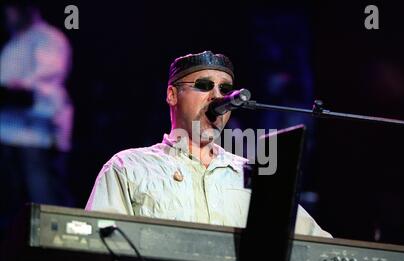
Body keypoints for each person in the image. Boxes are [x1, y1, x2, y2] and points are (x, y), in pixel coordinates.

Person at [86, 51, 331, 237]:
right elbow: (98, 246)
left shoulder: (257, 175)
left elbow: (318, 247)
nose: (217, 96)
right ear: (172, 94)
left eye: (225, 89)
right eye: (203, 86)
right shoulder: (128, 166)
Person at [0, 2, 74, 229]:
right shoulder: (13, 43)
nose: (7, 17)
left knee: (43, 205)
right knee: (13, 209)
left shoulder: (48, 38)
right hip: (8, 134)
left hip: (38, 137)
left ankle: (54, 254)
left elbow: (42, 87)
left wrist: (13, 91)